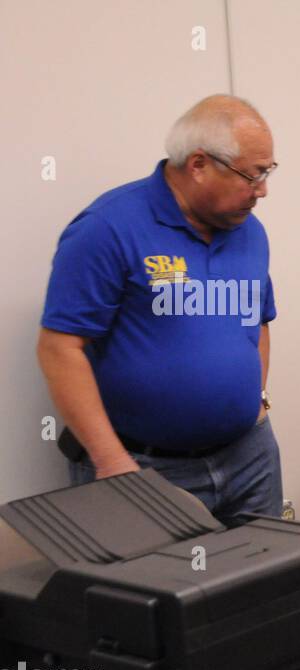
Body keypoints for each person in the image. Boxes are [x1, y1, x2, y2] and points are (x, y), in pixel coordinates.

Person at [37, 95, 281, 526]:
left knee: (265, 588)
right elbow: (59, 349)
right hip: (143, 469)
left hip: (249, 459)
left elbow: (256, 321)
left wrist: (255, 402)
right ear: (200, 164)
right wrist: (111, 461)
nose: (262, 189)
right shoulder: (107, 227)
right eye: (253, 174)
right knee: (150, 591)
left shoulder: (249, 231)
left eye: (267, 172)